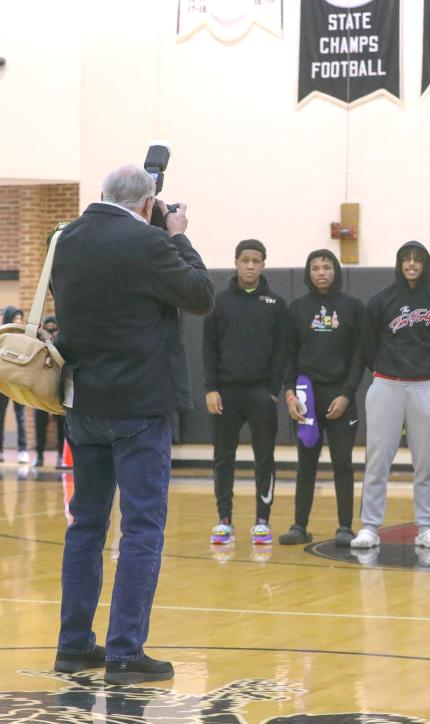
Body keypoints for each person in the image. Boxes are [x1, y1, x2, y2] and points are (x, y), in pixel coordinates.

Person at [51, 164, 213, 684]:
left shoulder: (66, 238)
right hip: (139, 408)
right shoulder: (148, 242)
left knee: (86, 527)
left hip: (84, 405)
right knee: (141, 529)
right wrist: (178, 237)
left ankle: (74, 645)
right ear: (148, 204)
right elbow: (201, 295)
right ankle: (124, 651)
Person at [350, 241, 430, 550]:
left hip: (424, 386)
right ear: (399, 263)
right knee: (377, 460)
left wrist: (427, 371)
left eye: (417, 260)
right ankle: (370, 526)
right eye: (406, 260)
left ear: (425, 264)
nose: (411, 265)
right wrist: (385, 369)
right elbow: (368, 345)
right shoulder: (381, 300)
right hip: (386, 385)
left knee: (425, 462)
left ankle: (426, 527)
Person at [203, 239, 287, 547]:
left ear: (264, 264)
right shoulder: (219, 301)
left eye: (256, 260)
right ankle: (224, 520)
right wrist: (211, 388)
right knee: (223, 458)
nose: (250, 266)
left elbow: (282, 351)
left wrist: (274, 391)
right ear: (236, 262)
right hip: (225, 394)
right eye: (245, 260)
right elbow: (208, 349)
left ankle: (262, 521)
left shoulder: (276, 304)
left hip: (261, 394)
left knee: (264, 458)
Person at [278, 249, 364, 547]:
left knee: (343, 462)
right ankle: (300, 525)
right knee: (306, 464)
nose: (321, 272)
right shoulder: (297, 308)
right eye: (315, 267)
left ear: (336, 270)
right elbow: (287, 354)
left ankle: (345, 527)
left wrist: (346, 394)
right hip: (307, 396)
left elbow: (358, 357)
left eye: (327, 266)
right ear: (308, 272)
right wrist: (290, 393)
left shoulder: (353, 307)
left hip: (340, 396)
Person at [33, 315, 67, 468]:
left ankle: (61, 455)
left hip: (58, 388)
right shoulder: (39, 343)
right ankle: (39, 455)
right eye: (49, 329)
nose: (51, 332)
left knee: (62, 424)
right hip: (41, 389)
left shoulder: (62, 342)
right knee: (39, 423)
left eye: (54, 329)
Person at [0, 306, 30, 464]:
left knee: (21, 417)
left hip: (18, 383)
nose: (18, 321)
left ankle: (23, 450)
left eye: (20, 318)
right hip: (2, 383)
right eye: (15, 318)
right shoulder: (2, 336)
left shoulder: (25, 337)